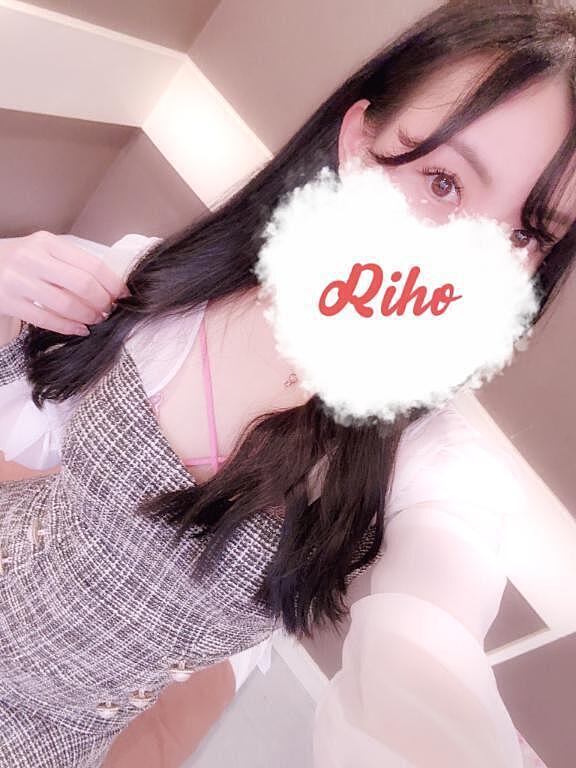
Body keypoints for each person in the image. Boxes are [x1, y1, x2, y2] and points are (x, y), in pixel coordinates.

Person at [0, 0, 574, 765]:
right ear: (358, 143)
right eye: (441, 182)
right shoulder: (163, 282)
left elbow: (430, 650)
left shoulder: (432, 470)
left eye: (527, 233)